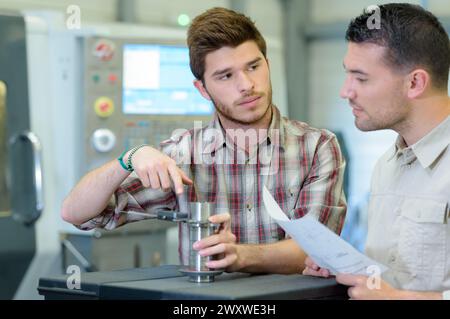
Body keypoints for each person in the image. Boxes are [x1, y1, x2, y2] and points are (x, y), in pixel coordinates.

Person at [62, 7, 346, 274]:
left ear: (268, 65)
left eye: (253, 66)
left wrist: (241, 255)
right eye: (225, 75)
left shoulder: (316, 147)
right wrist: (129, 158)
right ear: (202, 89)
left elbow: (317, 249)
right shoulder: (182, 155)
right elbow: (77, 213)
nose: (246, 85)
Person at [303, 3, 450, 299]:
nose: (346, 91)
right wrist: (345, 270)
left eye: (361, 78)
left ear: (415, 83)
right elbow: (391, 277)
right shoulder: (387, 165)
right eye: (347, 75)